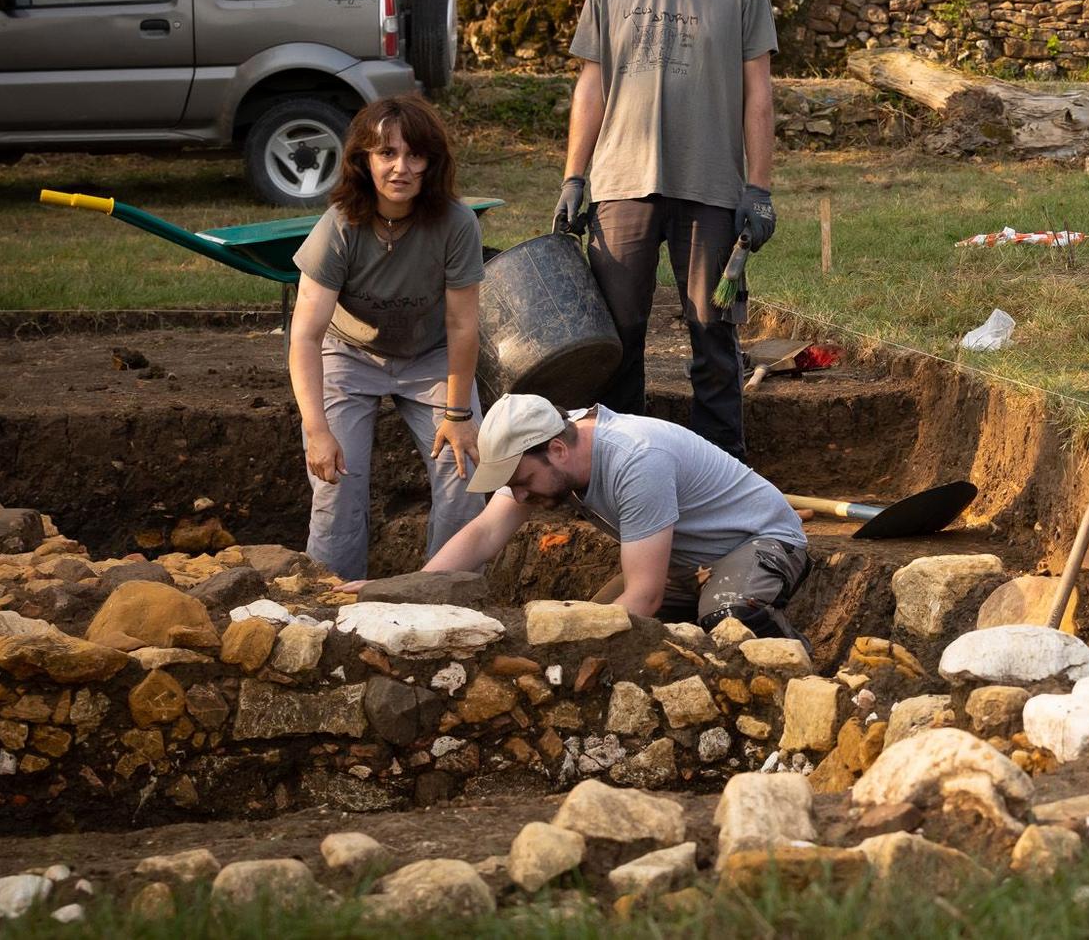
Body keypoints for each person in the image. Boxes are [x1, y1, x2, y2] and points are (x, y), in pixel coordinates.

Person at [554, 0, 777, 461]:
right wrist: (575, 177)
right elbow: (591, 85)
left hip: (709, 185)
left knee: (712, 330)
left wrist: (758, 189)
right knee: (617, 335)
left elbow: (758, 93)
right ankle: (620, 464)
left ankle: (722, 466)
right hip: (621, 182)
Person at [409, 392, 811, 638]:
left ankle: (803, 675)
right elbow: (483, 534)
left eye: (522, 481)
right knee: (593, 624)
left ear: (558, 451)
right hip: (685, 564)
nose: (518, 494)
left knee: (728, 617)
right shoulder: (547, 450)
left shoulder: (638, 460)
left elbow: (645, 596)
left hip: (760, 543)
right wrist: (408, 593)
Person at [289, 95, 485, 579]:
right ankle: (332, 602)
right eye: (386, 154)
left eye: (414, 155)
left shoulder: (456, 224)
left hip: (431, 356)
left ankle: (446, 592)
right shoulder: (340, 226)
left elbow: (463, 325)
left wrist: (459, 415)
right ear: (364, 159)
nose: (401, 168)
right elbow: (306, 336)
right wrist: (316, 431)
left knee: (466, 474)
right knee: (337, 482)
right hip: (348, 355)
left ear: (431, 162)